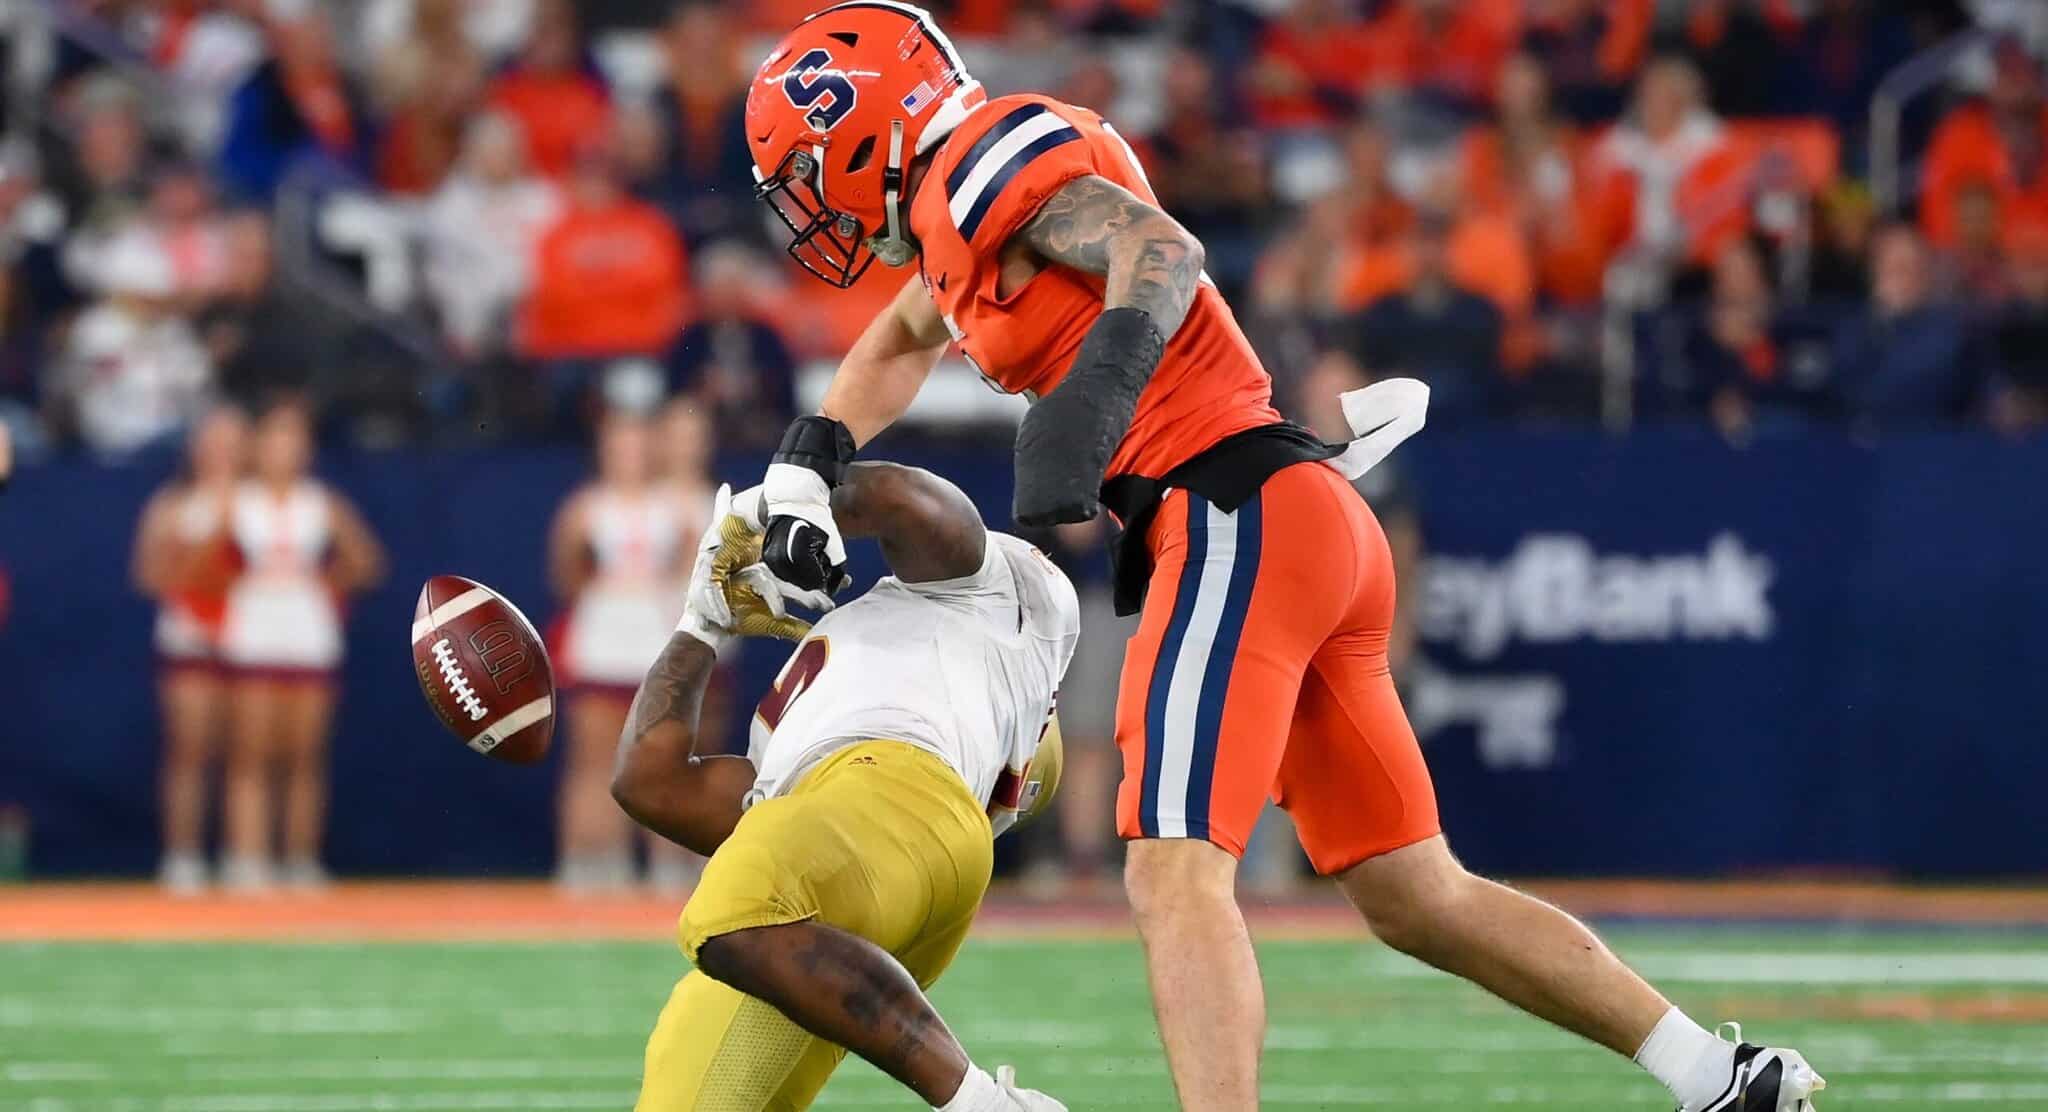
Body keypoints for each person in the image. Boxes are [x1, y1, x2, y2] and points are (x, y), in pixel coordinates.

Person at [737, 6, 1825, 1112]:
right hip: (1288, 515)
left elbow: (1157, 251)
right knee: (1413, 890)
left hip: (1226, 511)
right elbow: (903, 334)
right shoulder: (953, 219)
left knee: (1171, 865)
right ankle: (1717, 1073)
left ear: (868, 127)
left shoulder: (980, 164)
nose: (808, 204)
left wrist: (1098, 392)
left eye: (806, 172)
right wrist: (801, 465)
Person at [612, 461, 1074, 1112]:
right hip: (851, 873)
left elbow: (906, 500)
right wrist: (700, 622)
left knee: (732, 904)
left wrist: (770, 504)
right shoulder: (936, 674)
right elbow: (647, 784)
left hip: (899, 791)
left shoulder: (983, 595)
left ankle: (986, 1106)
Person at [218, 397, 384, 890]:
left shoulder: (321, 504)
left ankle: (299, 857)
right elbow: (198, 569)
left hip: (307, 637)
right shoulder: (236, 502)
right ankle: (247, 856)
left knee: (304, 755)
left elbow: (367, 563)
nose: (283, 448)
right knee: (249, 753)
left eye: (293, 437)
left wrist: (326, 581)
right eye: (273, 436)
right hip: (253, 635)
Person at [547, 409, 698, 890]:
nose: (628, 456)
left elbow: (691, 572)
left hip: (653, 644)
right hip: (603, 642)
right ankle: (588, 859)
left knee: (660, 761)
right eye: (619, 446)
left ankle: (666, 865)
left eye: (637, 446)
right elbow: (564, 573)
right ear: (605, 452)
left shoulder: (672, 509)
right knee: (594, 760)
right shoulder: (586, 508)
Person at [131, 405, 247, 892]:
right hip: (192, 637)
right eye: (212, 440)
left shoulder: (263, 503)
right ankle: (183, 856)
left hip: (254, 641)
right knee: (190, 751)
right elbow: (147, 575)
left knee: (250, 754)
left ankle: (251, 856)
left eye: (231, 441)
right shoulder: (173, 503)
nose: (221, 450)